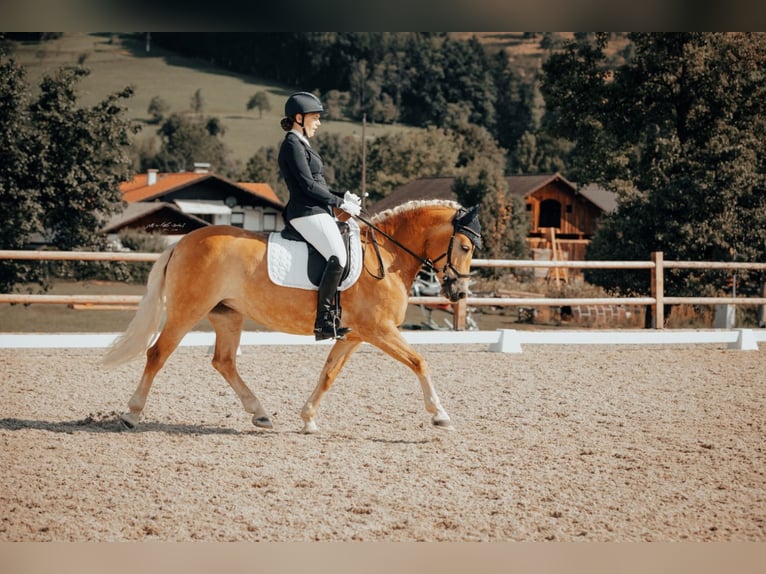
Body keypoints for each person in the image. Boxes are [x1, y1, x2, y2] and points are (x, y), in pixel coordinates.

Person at [277, 92, 362, 341]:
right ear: (299, 118)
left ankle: (335, 313)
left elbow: (318, 185)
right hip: (305, 212)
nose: (319, 122)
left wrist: (343, 195)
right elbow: (307, 187)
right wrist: (338, 203)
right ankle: (323, 320)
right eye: (315, 118)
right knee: (338, 257)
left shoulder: (302, 144)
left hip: (316, 210)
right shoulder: (292, 145)